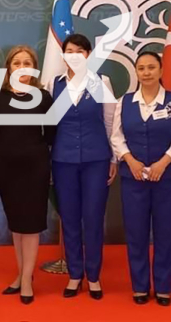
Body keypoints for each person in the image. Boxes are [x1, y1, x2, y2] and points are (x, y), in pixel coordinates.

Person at [111, 51, 171, 306]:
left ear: (160, 70)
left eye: (151, 67)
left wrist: (163, 163)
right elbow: (116, 136)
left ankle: (165, 286)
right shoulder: (124, 102)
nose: (146, 72)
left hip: (167, 179)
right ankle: (140, 286)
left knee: (166, 232)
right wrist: (130, 160)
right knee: (136, 233)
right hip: (133, 178)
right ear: (136, 72)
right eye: (141, 68)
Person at [46, 34, 117, 300]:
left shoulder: (102, 82)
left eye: (80, 51)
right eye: (69, 51)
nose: (74, 55)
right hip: (63, 161)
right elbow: (49, 126)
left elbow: (110, 122)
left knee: (94, 218)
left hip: (96, 159)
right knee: (71, 218)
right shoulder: (53, 84)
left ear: (88, 54)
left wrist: (113, 159)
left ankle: (94, 276)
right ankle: (75, 274)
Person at [0, 45, 54, 305]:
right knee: (16, 223)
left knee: (32, 223)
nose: (22, 67)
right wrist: (10, 150)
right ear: (9, 68)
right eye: (17, 63)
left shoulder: (43, 96)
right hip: (7, 168)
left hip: (35, 167)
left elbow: (50, 134)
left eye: (28, 63)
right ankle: (20, 273)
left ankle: (27, 279)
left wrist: (28, 151)